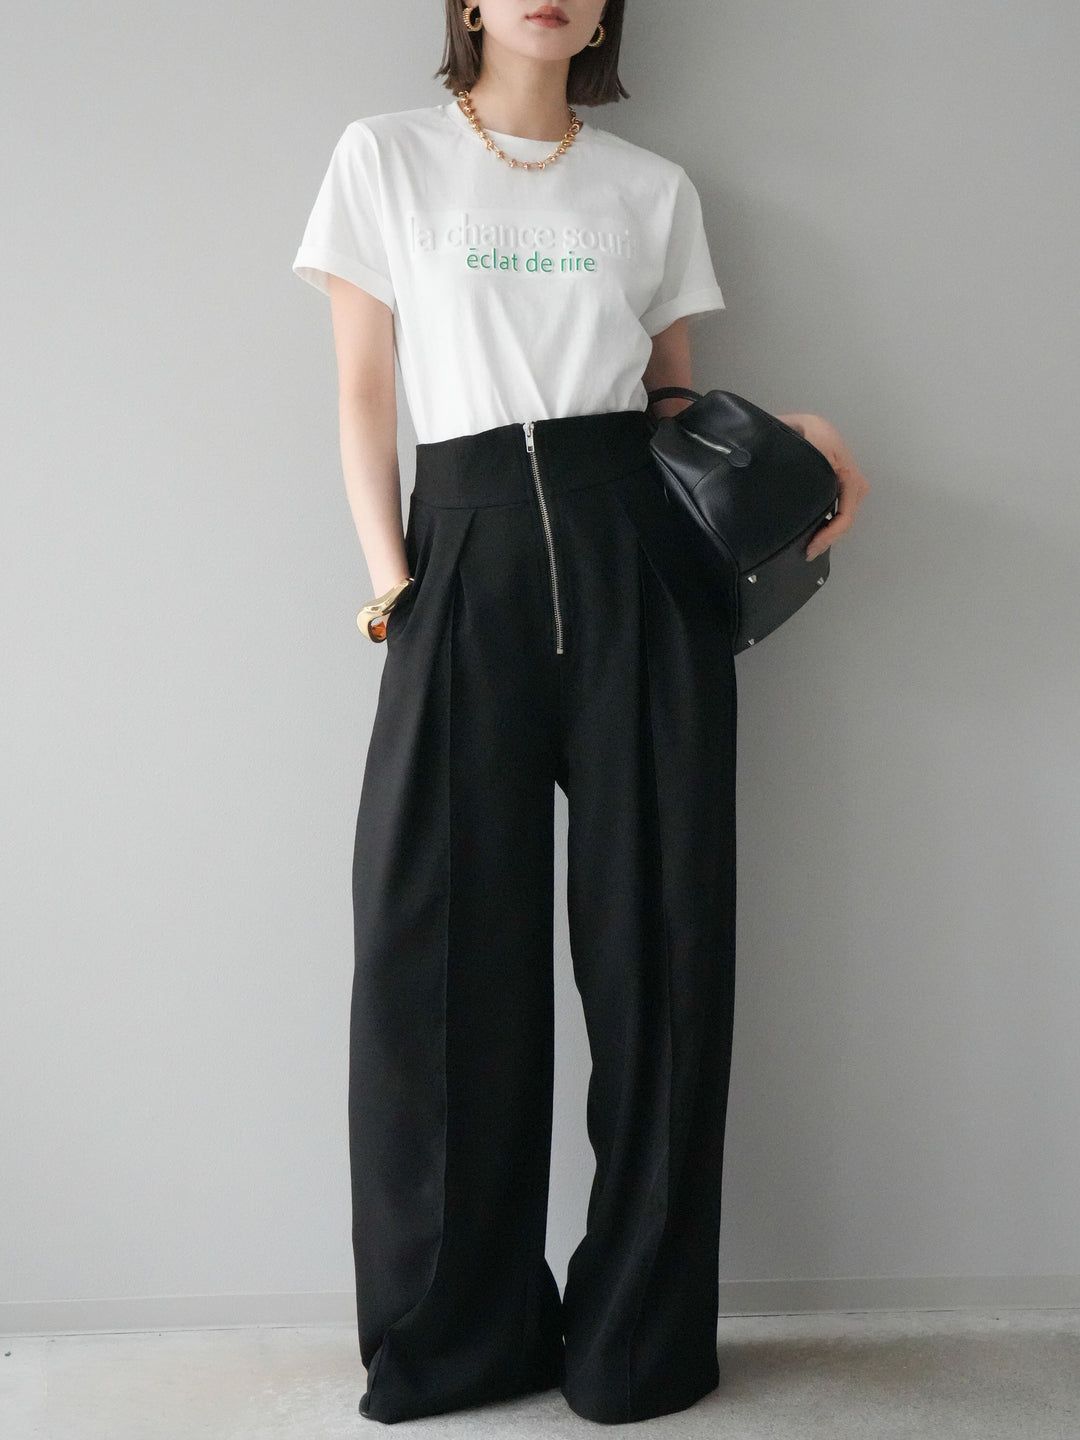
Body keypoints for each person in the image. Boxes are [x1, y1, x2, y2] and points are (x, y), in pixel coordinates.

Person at [292, 0, 869, 1427]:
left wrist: (800, 458)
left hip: (638, 569)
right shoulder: (385, 158)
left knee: (659, 951)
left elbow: (670, 404)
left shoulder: (651, 189)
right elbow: (364, 393)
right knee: (437, 961)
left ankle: (636, 1342)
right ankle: (460, 1337)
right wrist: (395, 588)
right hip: (463, 557)